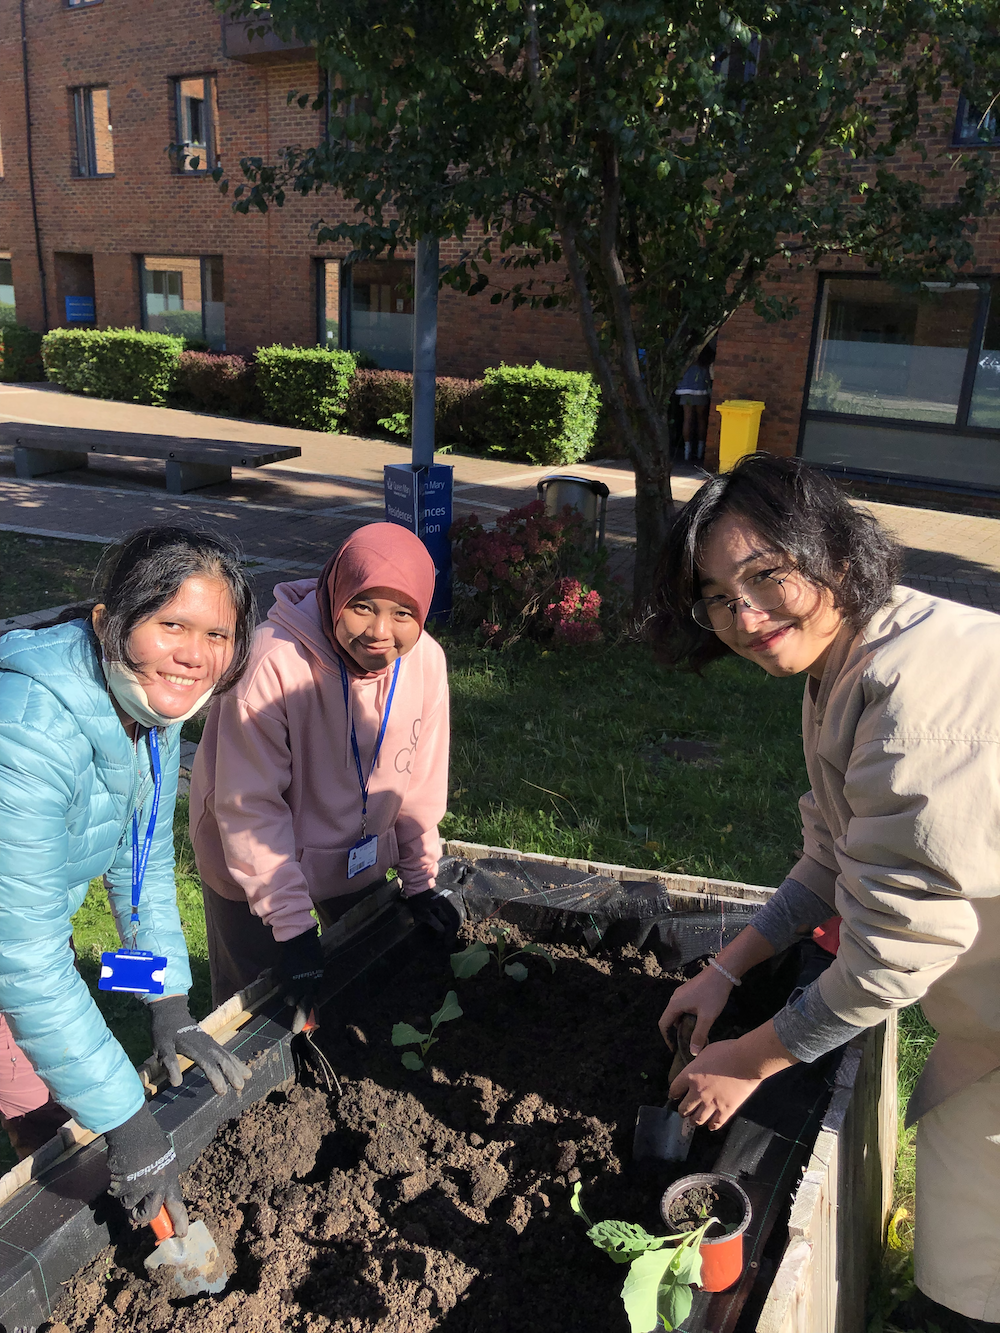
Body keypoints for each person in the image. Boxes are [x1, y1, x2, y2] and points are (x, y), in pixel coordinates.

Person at [651, 453, 1000, 1333]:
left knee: (979, 1278)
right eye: (720, 597)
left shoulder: (917, 700)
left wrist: (751, 1058)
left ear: (836, 555)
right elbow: (833, 856)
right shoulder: (845, 663)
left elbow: (891, 957)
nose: (746, 615)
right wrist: (727, 970)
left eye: (766, 576)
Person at [0, 526, 255, 1236]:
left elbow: (135, 866)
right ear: (109, 622)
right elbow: (23, 963)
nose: (193, 655)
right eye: (170, 623)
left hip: (20, 927)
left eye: (216, 633)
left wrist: (166, 999)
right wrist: (129, 1123)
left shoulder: (147, 707)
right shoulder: (29, 732)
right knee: (48, 1112)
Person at [189, 522, 456, 1031]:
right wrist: (291, 929)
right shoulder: (271, 663)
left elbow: (418, 782)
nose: (380, 631)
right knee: (262, 1002)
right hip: (251, 863)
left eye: (403, 613)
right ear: (335, 591)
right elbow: (250, 809)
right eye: (363, 606)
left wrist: (421, 881)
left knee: (359, 977)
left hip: (356, 849)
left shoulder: (425, 662)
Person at [675, 344, 715, 462]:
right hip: (701, 390)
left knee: (687, 419)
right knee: (701, 419)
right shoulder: (706, 355)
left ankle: (687, 450)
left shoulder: (686, 353)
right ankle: (700, 450)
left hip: (685, 389)